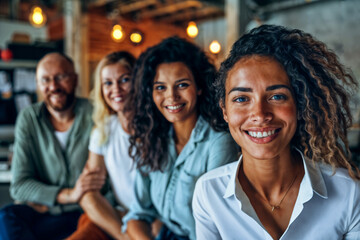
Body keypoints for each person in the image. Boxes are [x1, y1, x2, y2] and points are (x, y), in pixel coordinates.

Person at [192, 24, 360, 240]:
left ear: (299, 106)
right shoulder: (209, 192)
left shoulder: (349, 194)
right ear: (224, 111)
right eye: (241, 99)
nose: (260, 114)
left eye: (277, 96)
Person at [122, 37, 239, 240]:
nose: (171, 96)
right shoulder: (151, 138)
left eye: (182, 85)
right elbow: (138, 215)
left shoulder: (219, 143)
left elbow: (217, 227)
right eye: (160, 87)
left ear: (199, 87)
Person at [0, 53, 102, 240]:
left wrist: (43, 196)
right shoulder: (29, 117)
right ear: (38, 84)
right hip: (45, 215)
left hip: (85, 212)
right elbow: (19, 186)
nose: (53, 87)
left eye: (61, 77)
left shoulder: (96, 113)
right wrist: (69, 194)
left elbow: (105, 182)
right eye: (45, 80)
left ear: (75, 79)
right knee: (7, 216)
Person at [67, 51, 143, 240]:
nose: (116, 89)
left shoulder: (156, 126)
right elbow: (89, 192)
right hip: (119, 218)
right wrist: (122, 235)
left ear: (138, 81)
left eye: (124, 80)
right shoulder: (104, 129)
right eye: (108, 83)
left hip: (155, 219)